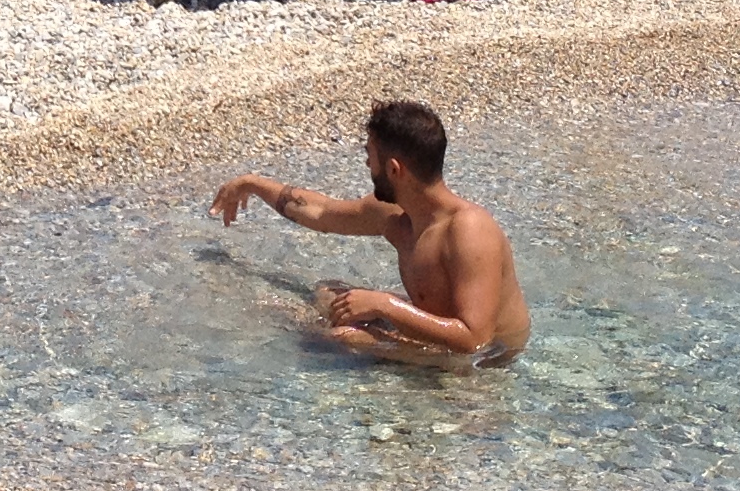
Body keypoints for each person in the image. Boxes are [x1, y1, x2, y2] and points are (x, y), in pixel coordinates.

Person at [209, 99, 528, 364]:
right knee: (329, 295)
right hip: (448, 339)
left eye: (369, 157)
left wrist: (384, 305)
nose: (367, 166)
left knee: (341, 338)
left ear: (393, 169)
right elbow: (320, 211)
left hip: (487, 363)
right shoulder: (398, 214)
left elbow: (476, 339)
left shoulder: (469, 231)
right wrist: (252, 183)